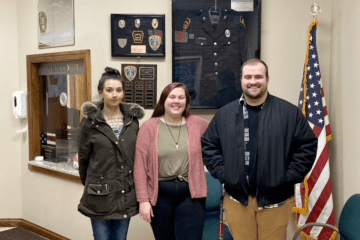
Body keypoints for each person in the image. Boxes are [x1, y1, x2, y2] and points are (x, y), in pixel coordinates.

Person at [201, 59, 318, 240]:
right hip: (237, 201)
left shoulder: (289, 113)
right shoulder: (225, 114)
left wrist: (288, 177)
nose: (253, 81)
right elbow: (209, 145)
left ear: (267, 79)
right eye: (248, 77)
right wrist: (225, 174)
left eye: (258, 76)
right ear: (241, 80)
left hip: (276, 202)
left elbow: (307, 146)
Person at [134, 82, 209, 240]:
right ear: (163, 101)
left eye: (181, 97)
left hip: (191, 194)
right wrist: (143, 201)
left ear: (186, 102)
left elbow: (222, 140)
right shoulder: (149, 128)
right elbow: (140, 167)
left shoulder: (199, 124)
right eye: (172, 97)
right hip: (160, 195)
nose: (177, 101)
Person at [77, 67, 144, 240]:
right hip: (99, 195)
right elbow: (83, 159)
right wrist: (93, 183)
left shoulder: (133, 121)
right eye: (109, 90)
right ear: (101, 93)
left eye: (118, 90)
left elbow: (136, 158)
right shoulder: (90, 123)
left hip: (125, 194)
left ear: (123, 93)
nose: (114, 94)